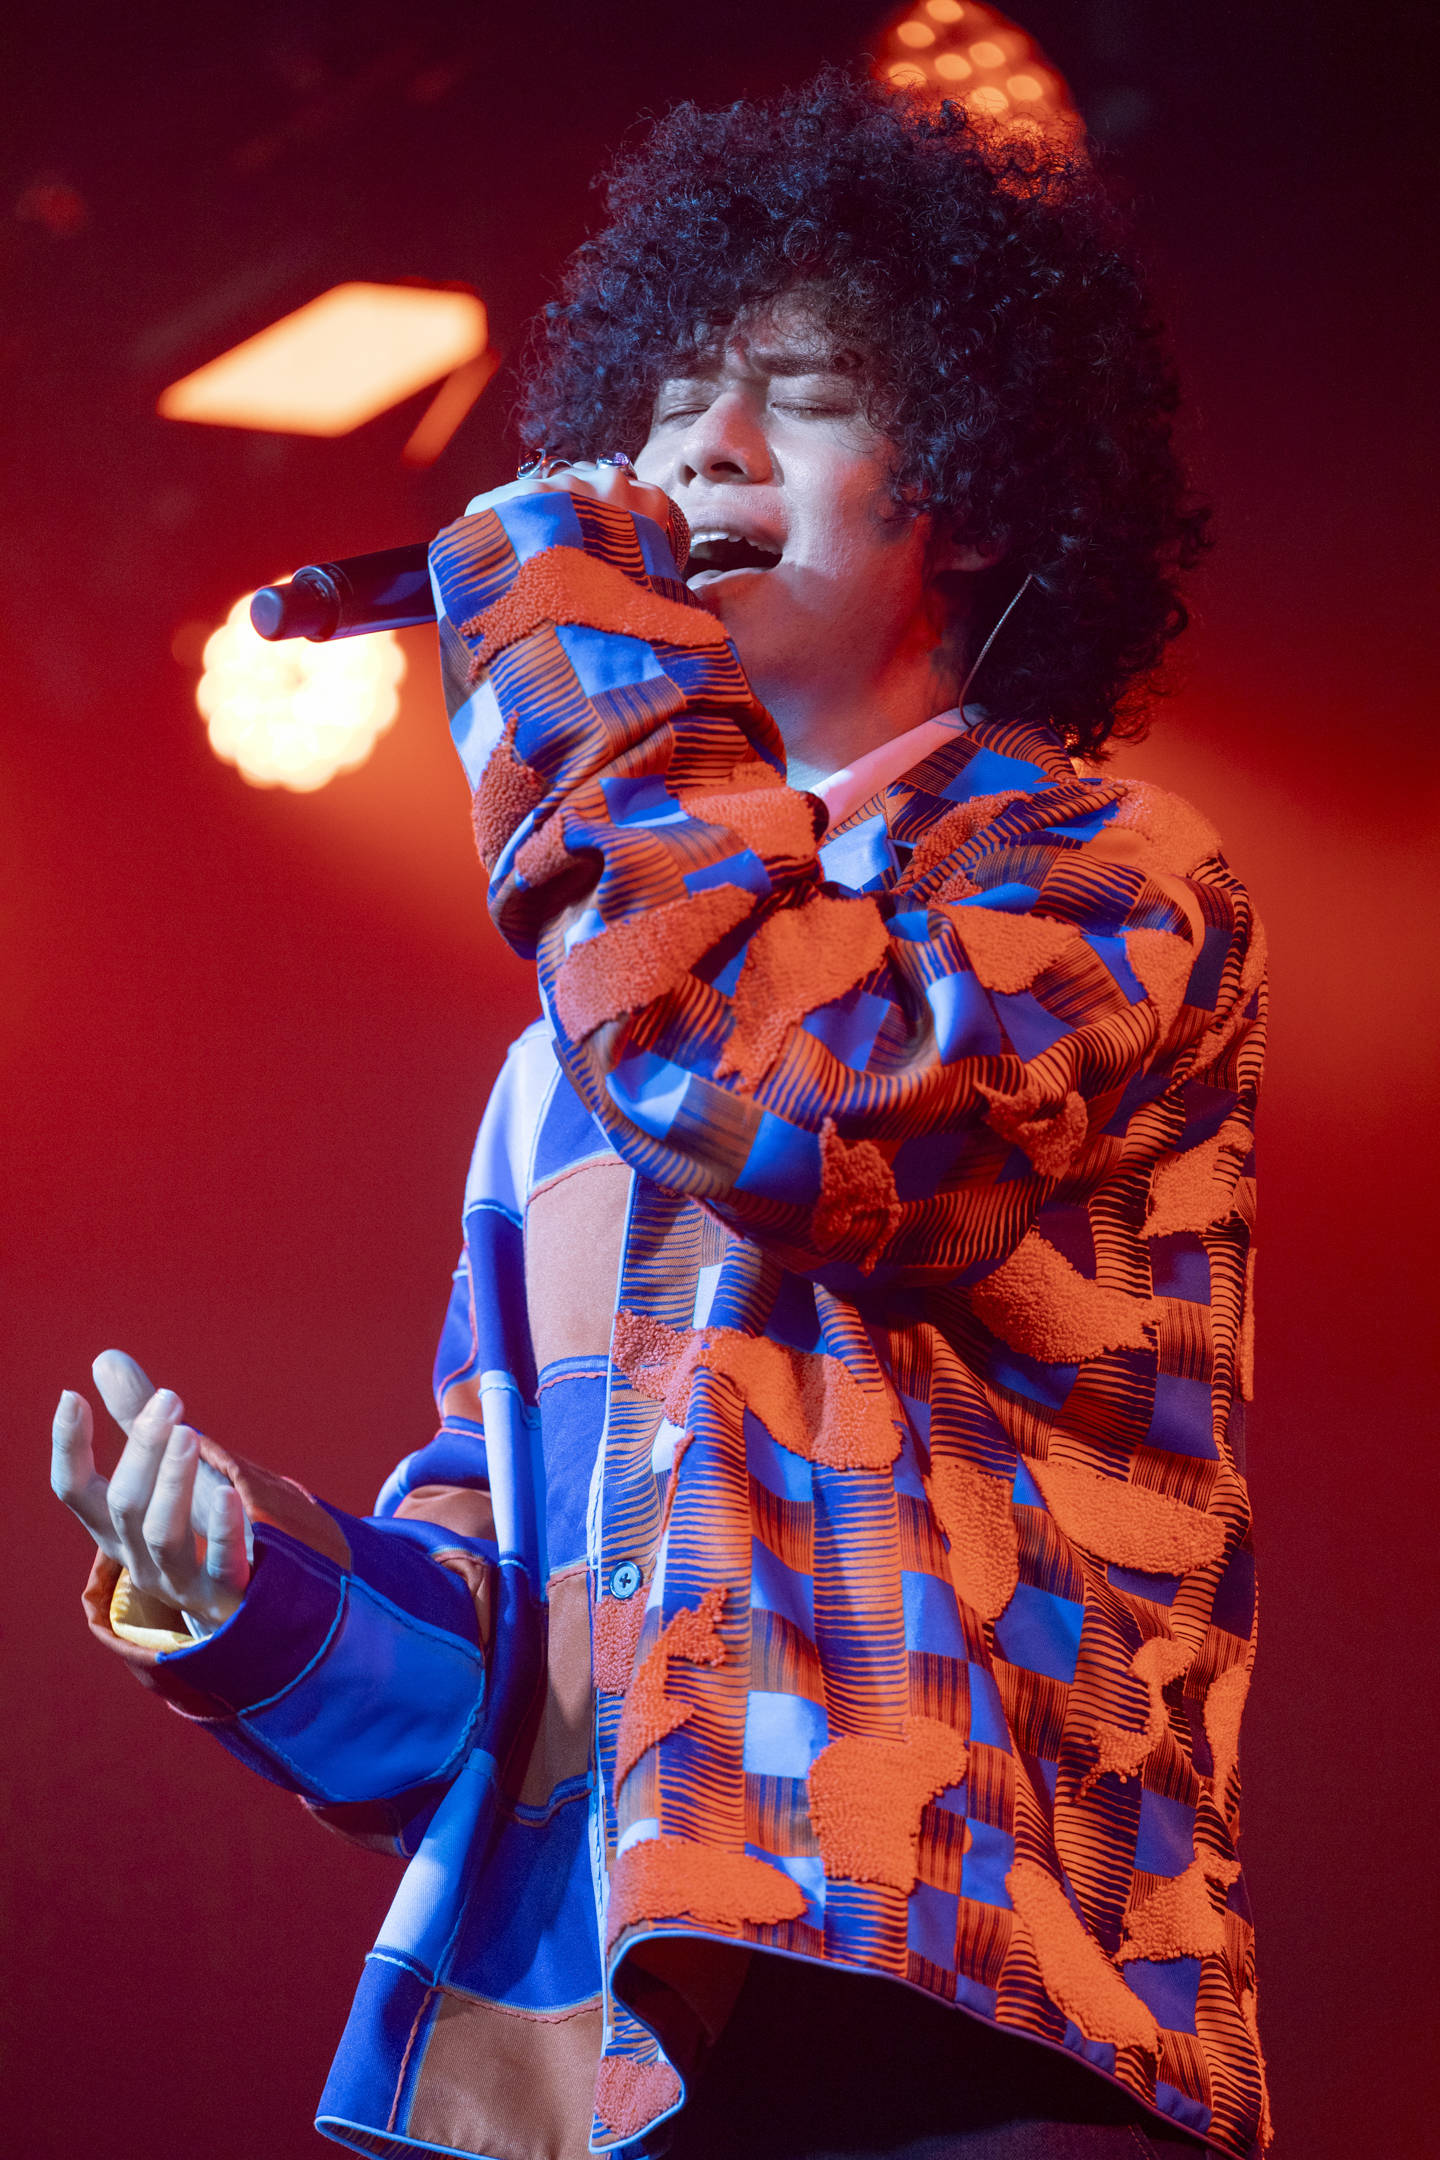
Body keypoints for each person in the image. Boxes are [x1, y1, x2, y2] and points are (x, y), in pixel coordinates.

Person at [52, 71, 1268, 2160]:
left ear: (972, 491)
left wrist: (566, 647)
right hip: (639, 2061)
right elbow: (521, 1692)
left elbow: (811, 1108)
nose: (704, 447)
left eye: (803, 400)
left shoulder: (1105, 875)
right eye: (678, 396)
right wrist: (246, 1591)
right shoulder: (571, 1057)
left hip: (982, 2013)